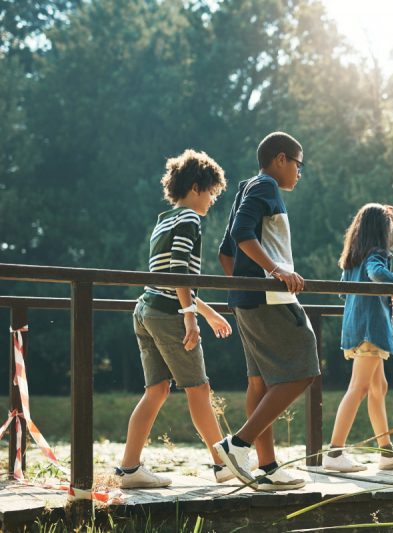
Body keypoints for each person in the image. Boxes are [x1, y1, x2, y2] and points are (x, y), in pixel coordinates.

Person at [116, 149, 233, 489]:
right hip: (168, 314)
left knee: (156, 390)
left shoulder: (164, 219)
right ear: (197, 188)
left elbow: (169, 278)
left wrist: (206, 312)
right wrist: (190, 318)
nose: (211, 201)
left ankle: (130, 469)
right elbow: (181, 270)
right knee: (199, 388)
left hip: (147, 309)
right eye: (211, 193)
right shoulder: (190, 220)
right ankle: (222, 464)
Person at [216, 131, 319, 491]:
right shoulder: (266, 187)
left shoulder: (247, 188)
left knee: (259, 382)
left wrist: (241, 287)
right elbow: (243, 235)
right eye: (298, 164)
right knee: (303, 367)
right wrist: (276, 271)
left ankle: (269, 466)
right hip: (270, 299)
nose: (299, 173)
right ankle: (238, 444)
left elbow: (225, 251)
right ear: (280, 159)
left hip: (249, 299)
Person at [322, 204, 393, 473]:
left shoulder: (353, 258)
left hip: (356, 327)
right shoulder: (376, 254)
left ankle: (386, 452)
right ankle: (335, 452)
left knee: (379, 388)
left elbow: (343, 291)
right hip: (370, 329)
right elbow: (377, 274)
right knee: (359, 388)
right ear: (380, 231)